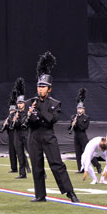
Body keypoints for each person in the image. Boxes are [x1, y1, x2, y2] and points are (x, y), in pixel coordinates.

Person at [25, 51, 79, 203]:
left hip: (48, 136)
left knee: (57, 164)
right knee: (37, 166)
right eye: (39, 86)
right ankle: (40, 195)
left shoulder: (55, 104)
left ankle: (70, 192)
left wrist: (38, 111)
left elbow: (51, 119)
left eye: (44, 87)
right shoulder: (31, 102)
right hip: (34, 136)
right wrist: (30, 115)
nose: (40, 89)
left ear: (49, 89)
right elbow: (27, 122)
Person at [68, 88, 101, 174]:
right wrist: (72, 124)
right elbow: (69, 128)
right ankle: (81, 168)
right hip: (76, 136)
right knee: (78, 153)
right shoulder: (73, 117)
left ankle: (97, 165)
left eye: (81, 109)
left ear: (84, 110)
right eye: (78, 109)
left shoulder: (86, 118)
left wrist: (77, 121)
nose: (79, 110)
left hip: (83, 137)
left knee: (87, 152)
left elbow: (83, 127)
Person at [9, 77, 31, 179]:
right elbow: (12, 126)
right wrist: (14, 120)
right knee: (20, 155)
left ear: (24, 104)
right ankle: (22, 173)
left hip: (26, 134)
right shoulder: (15, 113)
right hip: (17, 135)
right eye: (18, 103)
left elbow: (25, 123)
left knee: (32, 154)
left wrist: (18, 120)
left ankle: (41, 172)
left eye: (21, 103)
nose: (19, 105)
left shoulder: (28, 113)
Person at [0, 89, 18, 174]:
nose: (11, 112)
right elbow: (4, 129)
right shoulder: (8, 118)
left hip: (17, 137)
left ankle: (26, 167)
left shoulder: (17, 116)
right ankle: (13, 168)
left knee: (21, 154)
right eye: (10, 111)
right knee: (12, 153)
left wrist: (13, 120)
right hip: (11, 138)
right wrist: (5, 124)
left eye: (13, 111)